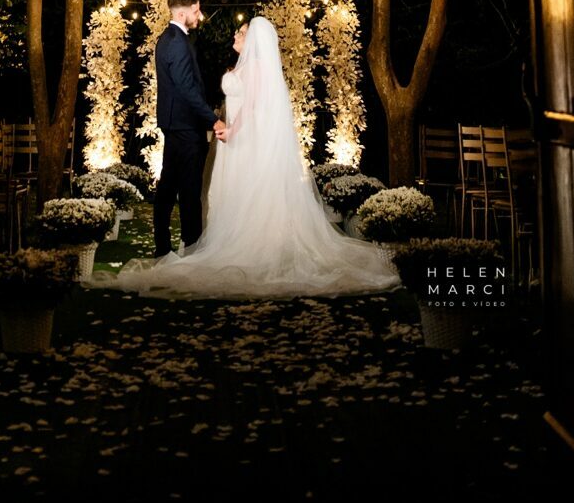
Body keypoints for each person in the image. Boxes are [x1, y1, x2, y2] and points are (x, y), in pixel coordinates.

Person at [106, 15, 400, 299]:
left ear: (254, 41)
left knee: (248, 192)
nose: (236, 35)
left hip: (242, 138)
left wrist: (232, 129)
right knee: (233, 192)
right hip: (232, 139)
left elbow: (252, 104)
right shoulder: (243, 65)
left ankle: (253, 245)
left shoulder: (258, 66)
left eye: (242, 32)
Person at [151, 0, 227, 259]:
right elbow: (186, 89)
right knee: (189, 188)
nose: (200, 15)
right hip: (185, 126)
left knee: (169, 185)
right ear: (182, 13)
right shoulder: (178, 43)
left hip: (175, 124)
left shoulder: (167, 38)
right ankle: (193, 249)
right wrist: (213, 120)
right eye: (196, 10)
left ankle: (163, 247)